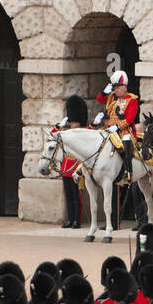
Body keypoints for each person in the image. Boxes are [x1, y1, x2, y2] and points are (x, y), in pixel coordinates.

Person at [59, 94, 87, 228]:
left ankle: (77, 220)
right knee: (69, 197)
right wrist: (58, 126)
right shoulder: (66, 132)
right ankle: (70, 219)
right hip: (65, 169)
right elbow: (53, 135)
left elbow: (91, 130)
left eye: (74, 121)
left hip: (76, 168)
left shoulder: (83, 132)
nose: (72, 123)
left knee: (77, 198)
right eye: (71, 121)